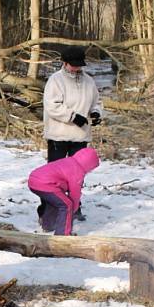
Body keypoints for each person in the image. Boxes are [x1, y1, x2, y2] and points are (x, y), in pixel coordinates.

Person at [42, 45, 102, 221]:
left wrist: (97, 113)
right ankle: (52, 210)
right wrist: (73, 117)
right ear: (65, 63)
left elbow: (96, 102)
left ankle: (75, 207)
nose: (76, 68)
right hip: (58, 136)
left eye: (79, 65)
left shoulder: (88, 81)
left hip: (80, 137)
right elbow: (52, 106)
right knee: (55, 177)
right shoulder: (55, 80)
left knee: (77, 176)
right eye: (73, 65)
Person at [28, 147, 100, 236]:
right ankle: (62, 234)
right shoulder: (77, 171)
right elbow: (75, 194)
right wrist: (72, 210)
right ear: (89, 164)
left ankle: (48, 225)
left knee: (56, 201)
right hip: (45, 184)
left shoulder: (69, 161)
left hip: (33, 180)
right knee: (67, 205)